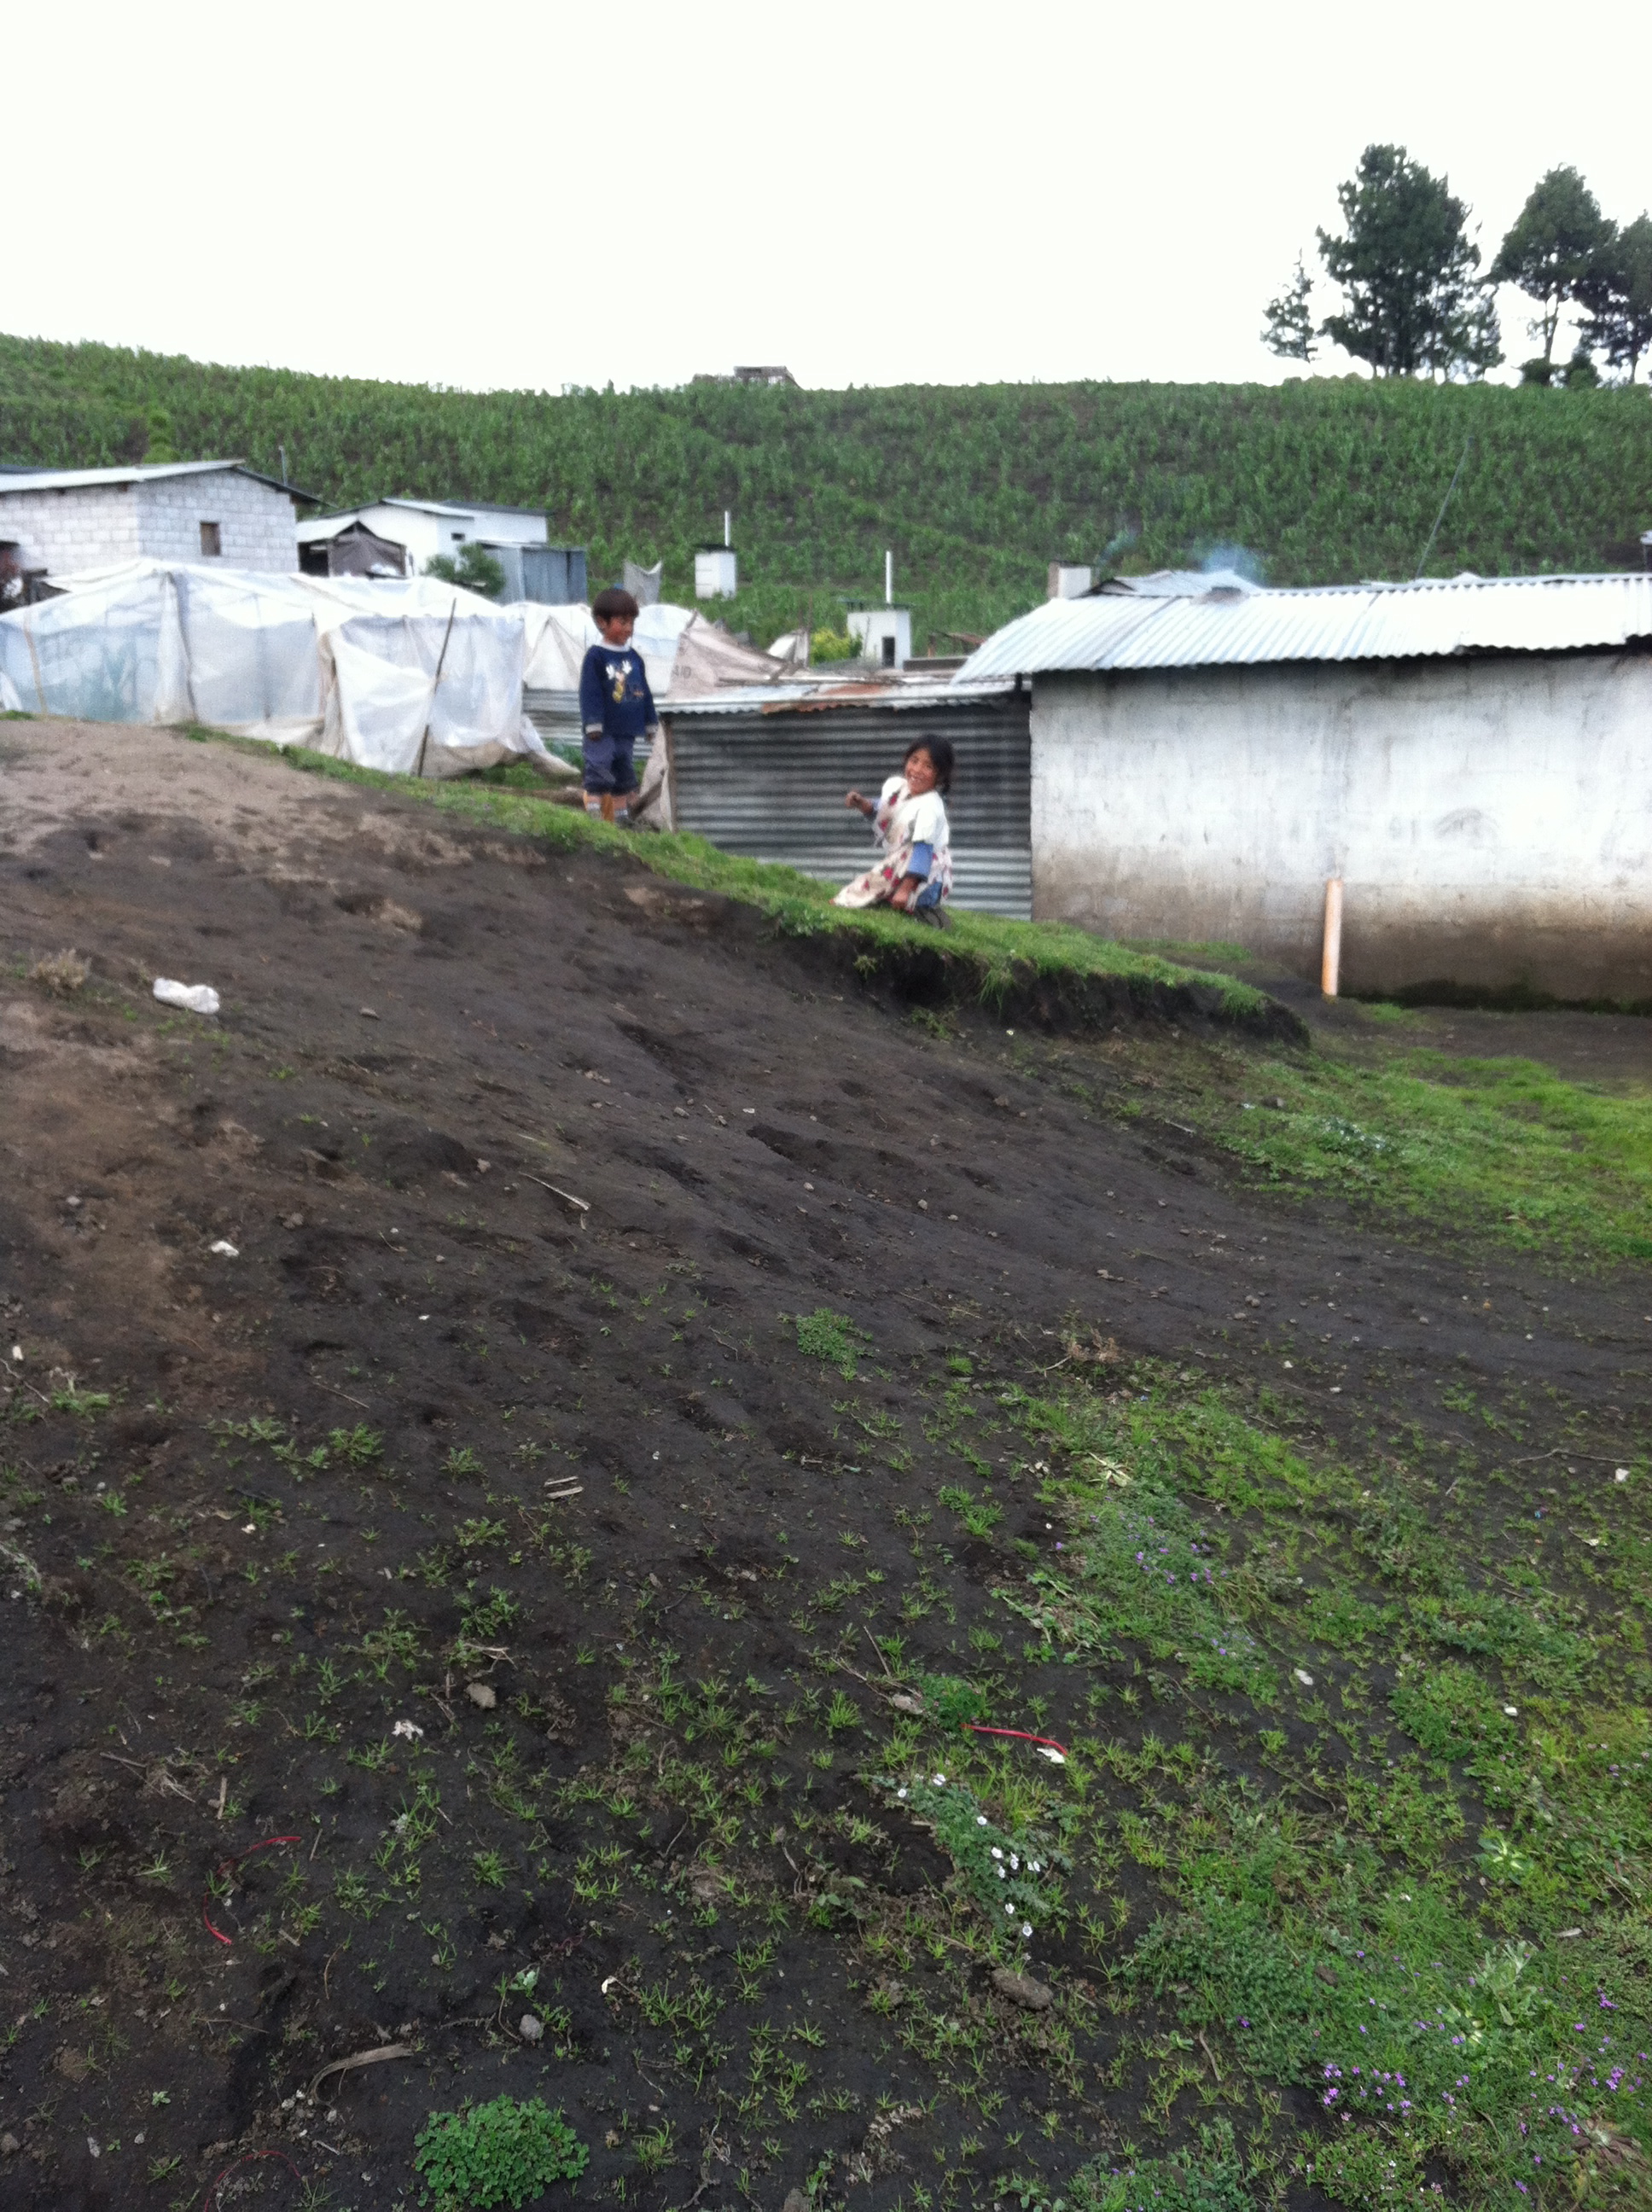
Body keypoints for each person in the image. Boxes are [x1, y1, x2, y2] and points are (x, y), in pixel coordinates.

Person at [835, 736, 954, 921]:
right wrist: (862, 804)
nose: (917, 770)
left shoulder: (930, 807)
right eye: (914, 761)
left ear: (940, 776)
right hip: (903, 865)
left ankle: (924, 912)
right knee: (878, 888)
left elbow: (922, 852)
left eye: (928, 766)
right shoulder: (900, 788)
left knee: (887, 894)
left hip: (926, 878)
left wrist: (905, 890)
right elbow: (885, 809)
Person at [579, 587, 659, 825]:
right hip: (602, 731)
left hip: (627, 729)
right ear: (602, 622)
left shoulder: (634, 658)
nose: (628, 628)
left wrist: (650, 723)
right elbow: (590, 692)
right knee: (598, 767)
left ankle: (622, 819)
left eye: (631, 622)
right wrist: (593, 723)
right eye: (622, 622)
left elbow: (644, 693)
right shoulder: (596, 657)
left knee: (623, 772)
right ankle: (593, 815)